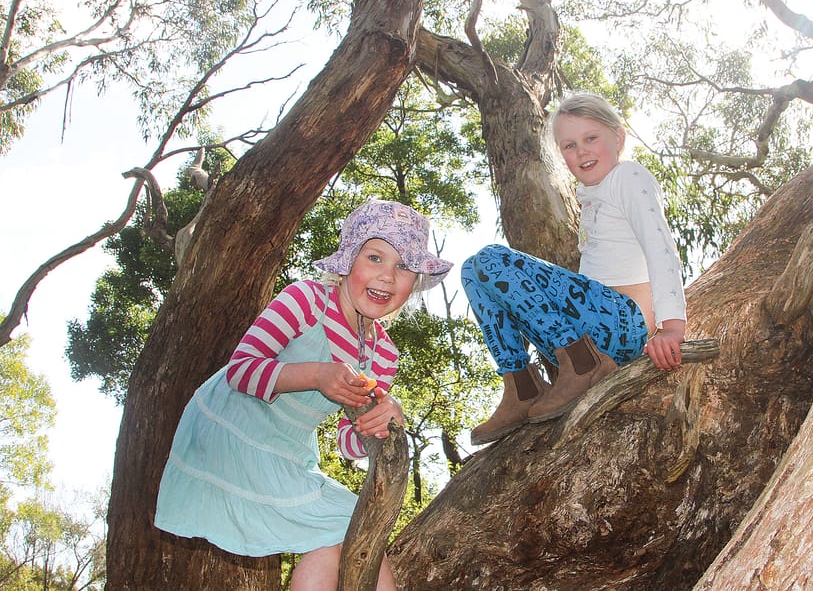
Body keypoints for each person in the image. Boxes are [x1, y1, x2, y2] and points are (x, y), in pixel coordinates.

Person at [154, 200, 452, 590]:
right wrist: (316, 375)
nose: (387, 276)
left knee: (342, 531)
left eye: (404, 267)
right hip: (230, 429)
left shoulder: (383, 354)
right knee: (342, 524)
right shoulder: (306, 300)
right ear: (348, 261)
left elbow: (350, 442)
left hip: (287, 452)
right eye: (375, 257)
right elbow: (241, 370)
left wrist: (384, 418)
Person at [462, 91, 687, 445]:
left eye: (591, 138)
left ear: (619, 137)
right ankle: (521, 384)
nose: (581, 151)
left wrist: (671, 327)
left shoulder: (628, 177)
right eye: (569, 145)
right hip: (588, 334)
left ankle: (583, 364)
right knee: (473, 270)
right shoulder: (591, 198)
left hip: (623, 323)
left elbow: (661, 247)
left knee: (492, 259)